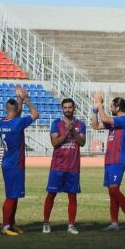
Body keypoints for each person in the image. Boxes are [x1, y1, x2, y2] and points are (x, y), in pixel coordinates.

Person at [91, 92, 125, 232]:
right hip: (109, 159)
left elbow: (104, 118)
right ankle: (114, 223)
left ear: (117, 107)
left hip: (118, 159)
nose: (110, 108)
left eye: (112, 106)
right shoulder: (113, 123)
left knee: (114, 189)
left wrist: (99, 105)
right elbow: (96, 125)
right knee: (111, 192)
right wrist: (94, 110)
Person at [0, 86, 39, 236]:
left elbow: (17, 111)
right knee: (11, 196)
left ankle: (11, 223)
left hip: (8, 163)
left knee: (14, 195)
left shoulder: (2, 122)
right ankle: (5, 226)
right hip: (15, 165)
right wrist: (26, 98)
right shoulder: (17, 123)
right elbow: (35, 113)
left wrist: (19, 99)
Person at [43, 98, 86, 235]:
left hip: (73, 167)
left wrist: (73, 131)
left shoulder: (80, 124)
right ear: (62, 109)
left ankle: (71, 225)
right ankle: (46, 223)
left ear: (74, 108)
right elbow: (54, 143)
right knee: (51, 194)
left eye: (70, 107)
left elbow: (82, 142)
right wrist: (67, 132)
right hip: (57, 166)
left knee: (72, 196)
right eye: (65, 107)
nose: (68, 109)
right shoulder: (56, 123)